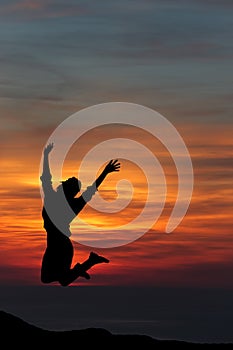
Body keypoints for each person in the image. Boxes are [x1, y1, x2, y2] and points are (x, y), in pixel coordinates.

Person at [40, 142, 120, 287]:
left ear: (66, 187)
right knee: (59, 280)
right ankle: (86, 265)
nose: (67, 180)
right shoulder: (63, 202)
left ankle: (83, 267)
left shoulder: (56, 200)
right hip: (57, 246)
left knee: (52, 279)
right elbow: (46, 178)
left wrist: (105, 172)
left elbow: (91, 190)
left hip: (60, 247)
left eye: (69, 182)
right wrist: (45, 156)